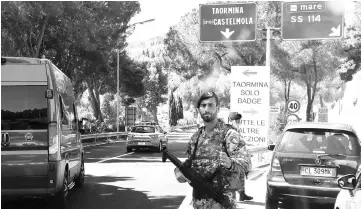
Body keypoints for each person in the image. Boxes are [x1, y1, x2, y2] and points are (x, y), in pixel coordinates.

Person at [174, 91, 251, 209]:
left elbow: (247, 163)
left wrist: (231, 163)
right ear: (198, 109)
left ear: (218, 108)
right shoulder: (196, 137)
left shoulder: (229, 134)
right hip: (199, 203)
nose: (207, 109)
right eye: (203, 106)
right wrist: (181, 172)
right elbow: (191, 165)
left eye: (211, 105)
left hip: (222, 203)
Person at [228, 112, 253, 202]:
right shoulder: (232, 132)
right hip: (234, 159)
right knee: (234, 176)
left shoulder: (236, 130)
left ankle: (242, 194)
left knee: (241, 175)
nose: (238, 122)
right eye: (236, 120)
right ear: (231, 120)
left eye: (239, 120)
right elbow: (231, 148)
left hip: (238, 158)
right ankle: (232, 198)